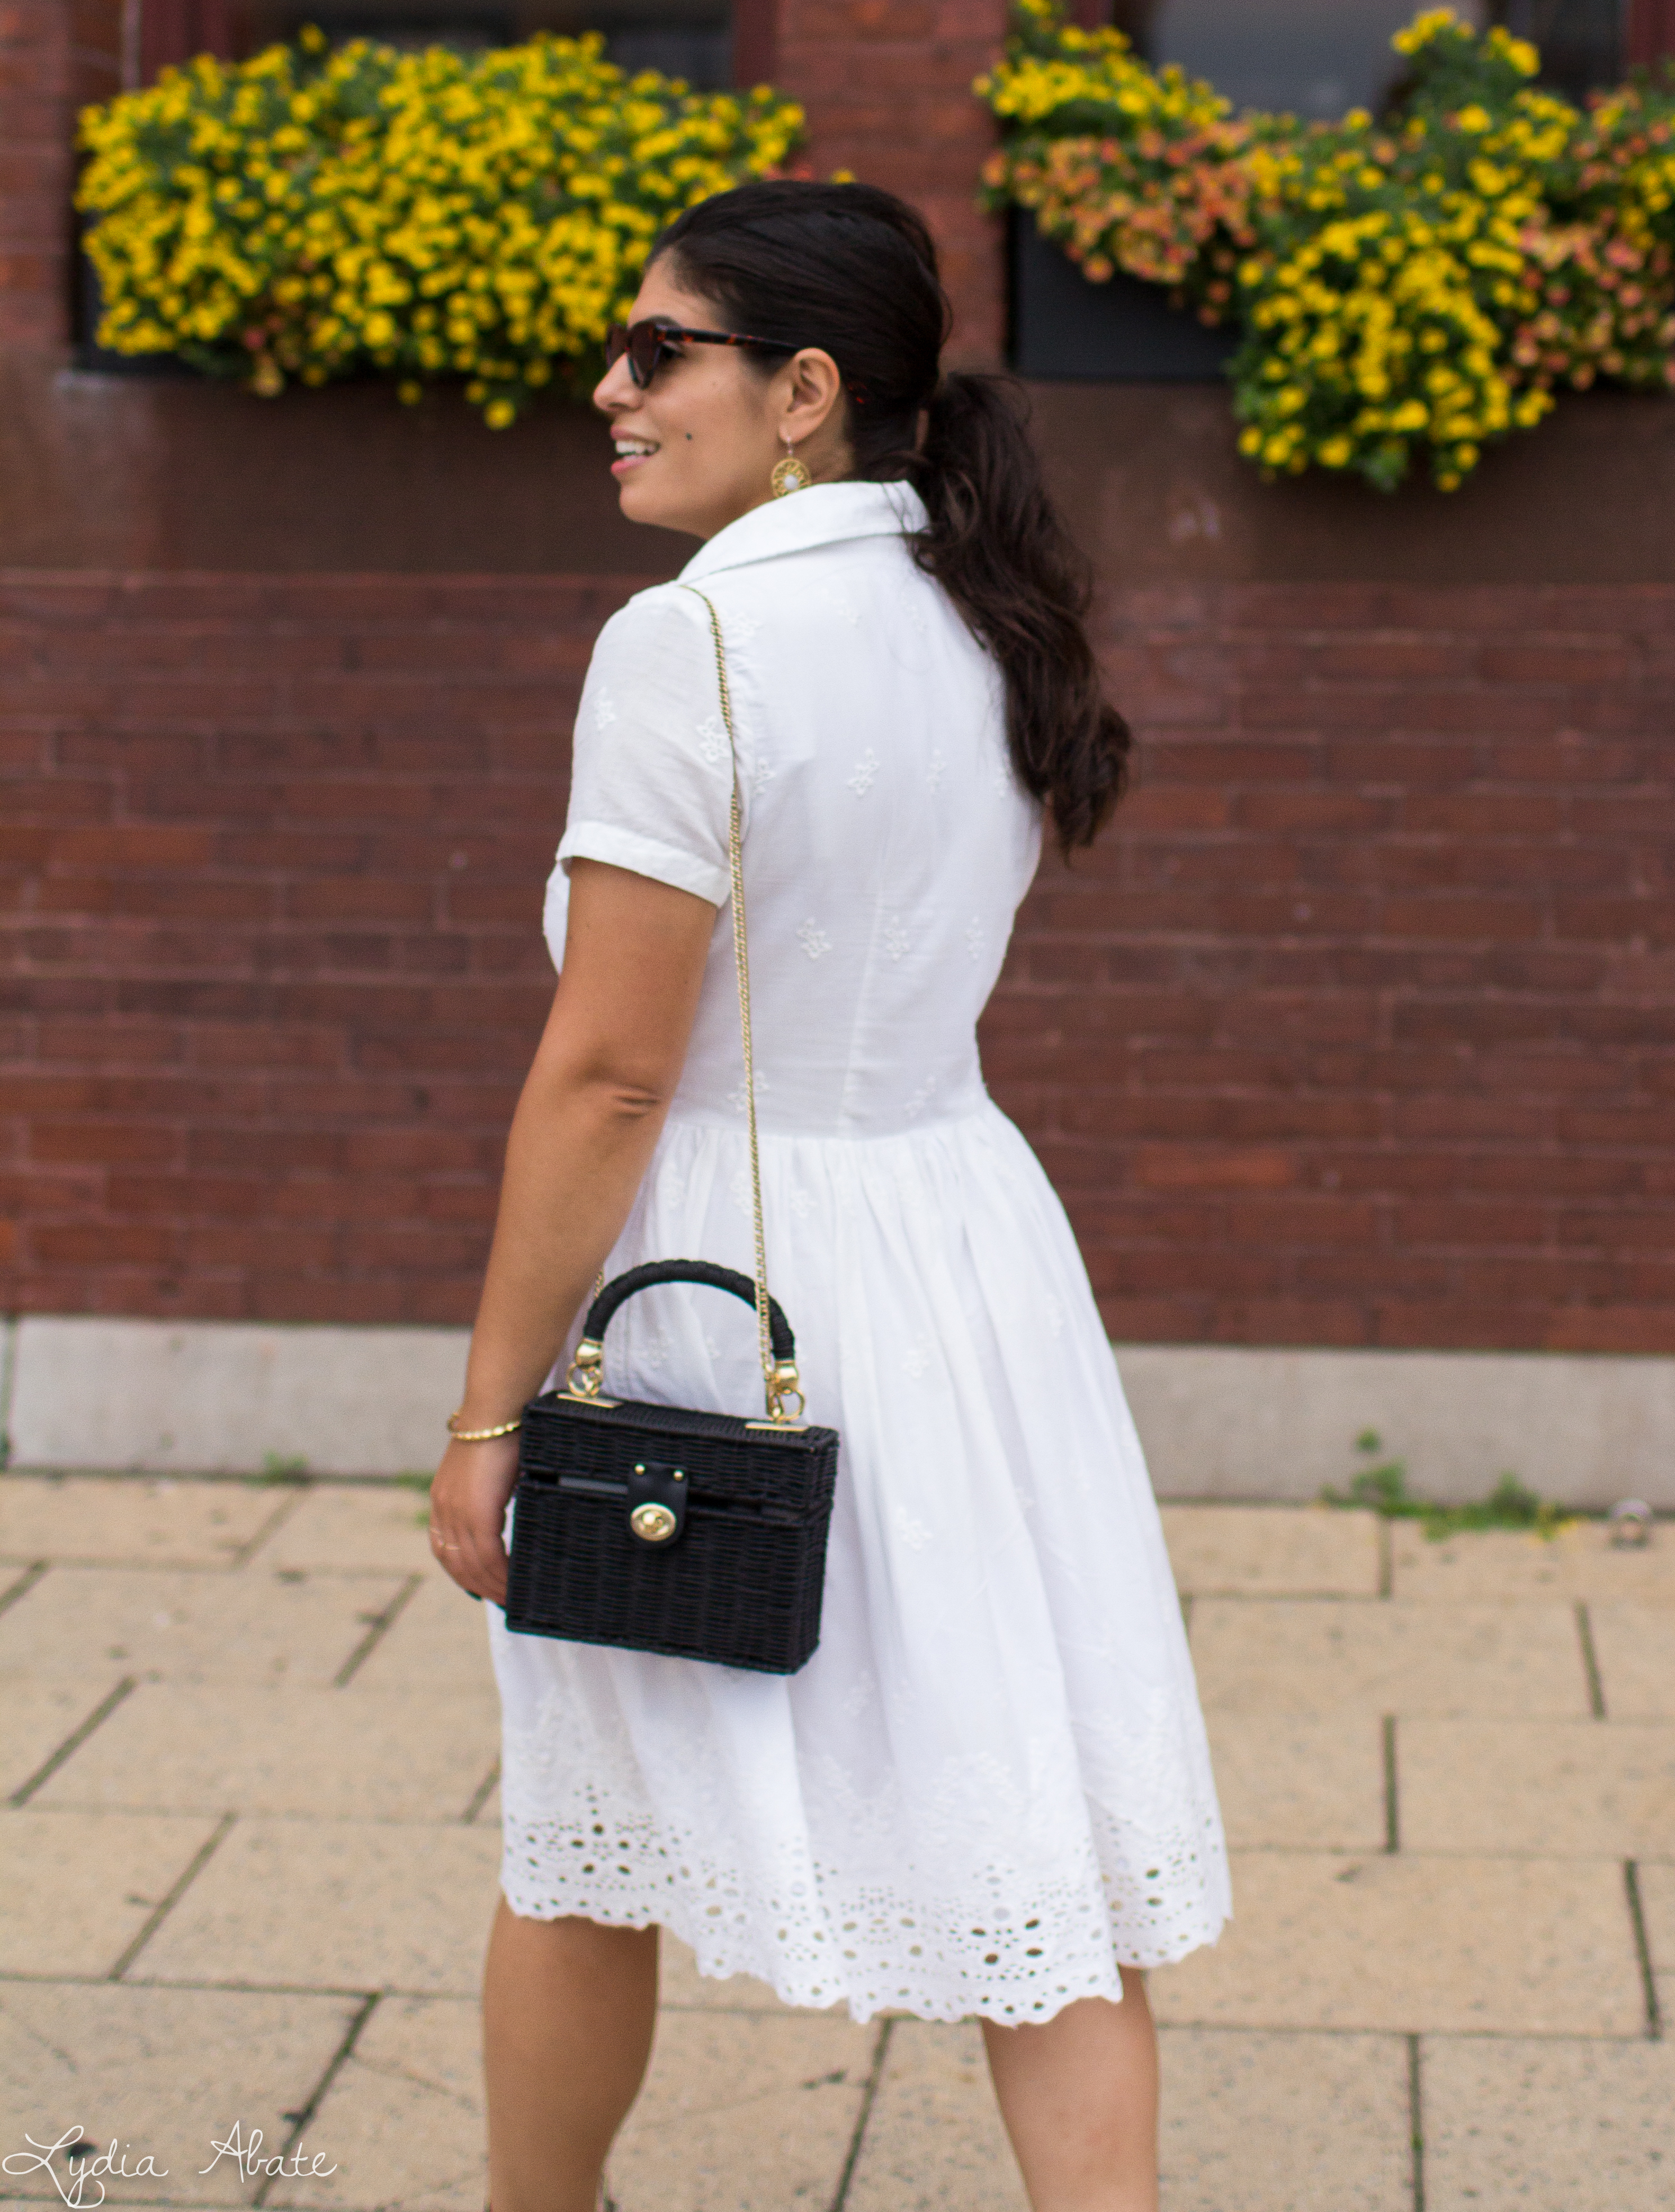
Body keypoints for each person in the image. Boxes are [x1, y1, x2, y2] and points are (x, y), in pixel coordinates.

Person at [428, 181, 1230, 2212]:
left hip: (721, 1283)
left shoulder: (687, 639)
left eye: (656, 350)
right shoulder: (987, 613)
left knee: (587, 1825)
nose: (610, 390)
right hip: (961, 1255)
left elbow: (611, 1073)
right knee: (1026, 1838)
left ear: (802, 392)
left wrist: (487, 1414)